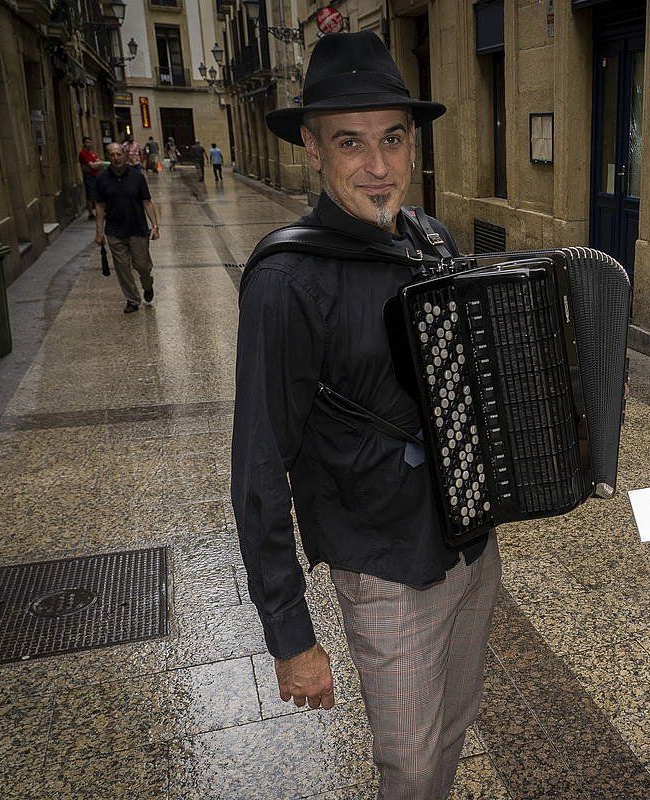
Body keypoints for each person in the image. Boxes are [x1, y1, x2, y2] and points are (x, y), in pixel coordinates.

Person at [231, 31, 498, 800]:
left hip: (472, 548)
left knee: (455, 726)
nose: (376, 166)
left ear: (412, 142)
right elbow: (256, 467)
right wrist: (289, 637)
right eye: (350, 142)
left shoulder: (432, 239)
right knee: (409, 765)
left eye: (391, 138)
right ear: (313, 149)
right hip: (385, 564)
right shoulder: (286, 281)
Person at [94, 143, 160, 314]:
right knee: (123, 267)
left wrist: (155, 226)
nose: (116, 158)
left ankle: (147, 284)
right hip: (114, 231)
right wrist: (99, 232)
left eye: (118, 154)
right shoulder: (102, 179)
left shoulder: (137, 176)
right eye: (112, 155)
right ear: (108, 157)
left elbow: (147, 202)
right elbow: (100, 207)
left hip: (137, 229)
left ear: (125, 155)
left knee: (143, 266)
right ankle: (132, 299)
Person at [78, 136, 102, 220]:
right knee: (91, 194)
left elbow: (98, 161)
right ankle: (91, 213)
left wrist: (97, 164)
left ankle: (98, 212)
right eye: (87, 142)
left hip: (96, 175)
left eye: (90, 142)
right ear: (84, 143)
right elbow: (92, 165)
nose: (89, 144)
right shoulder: (83, 153)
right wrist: (97, 164)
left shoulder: (92, 153)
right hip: (89, 175)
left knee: (97, 193)